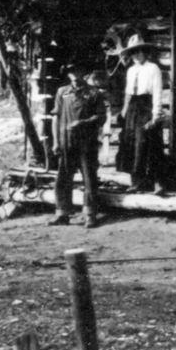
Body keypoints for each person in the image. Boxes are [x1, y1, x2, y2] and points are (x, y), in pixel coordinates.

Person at [50, 60, 108, 228]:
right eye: (71, 72)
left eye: (78, 71)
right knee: (63, 178)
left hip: (86, 143)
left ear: (84, 73)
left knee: (89, 178)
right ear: (68, 74)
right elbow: (56, 117)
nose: (75, 74)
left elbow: (101, 117)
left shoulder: (94, 93)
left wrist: (83, 123)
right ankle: (62, 213)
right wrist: (56, 141)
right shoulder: (62, 92)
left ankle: (90, 214)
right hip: (66, 141)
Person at [120, 33, 169, 195]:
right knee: (132, 143)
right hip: (133, 108)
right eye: (134, 52)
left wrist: (156, 115)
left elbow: (157, 92)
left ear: (146, 52)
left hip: (146, 106)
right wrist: (125, 110)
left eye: (140, 51)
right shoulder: (131, 71)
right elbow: (128, 92)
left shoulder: (153, 68)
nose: (137, 55)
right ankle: (137, 182)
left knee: (149, 143)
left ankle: (158, 183)